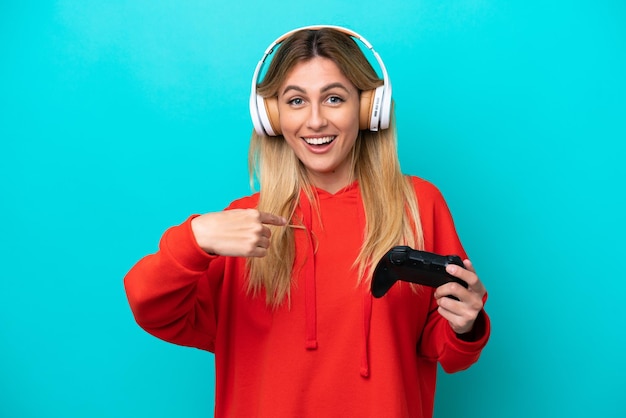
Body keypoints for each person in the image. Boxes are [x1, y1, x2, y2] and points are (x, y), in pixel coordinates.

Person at [124, 25, 490, 418]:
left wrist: (465, 323)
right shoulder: (243, 225)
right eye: (296, 101)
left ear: (370, 109)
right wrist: (195, 238)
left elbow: (448, 350)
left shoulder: (418, 205)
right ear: (271, 116)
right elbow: (150, 306)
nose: (315, 121)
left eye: (334, 98)